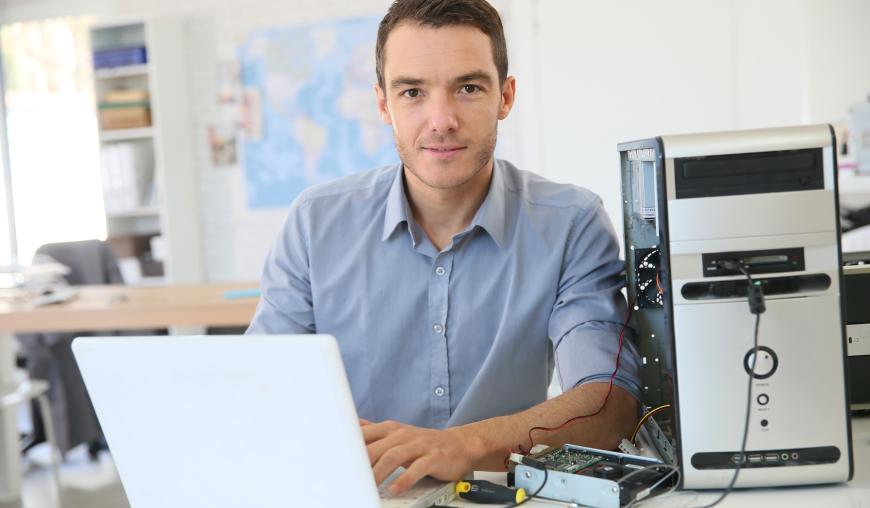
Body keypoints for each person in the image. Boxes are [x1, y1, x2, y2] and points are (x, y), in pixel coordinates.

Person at [246, 0, 642, 495]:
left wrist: (464, 445)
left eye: (468, 87)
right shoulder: (315, 222)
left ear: (506, 96)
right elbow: (258, 390)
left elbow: (608, 404)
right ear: (383, 104)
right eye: (412, 91)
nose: (441, 120)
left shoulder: (571, 223)